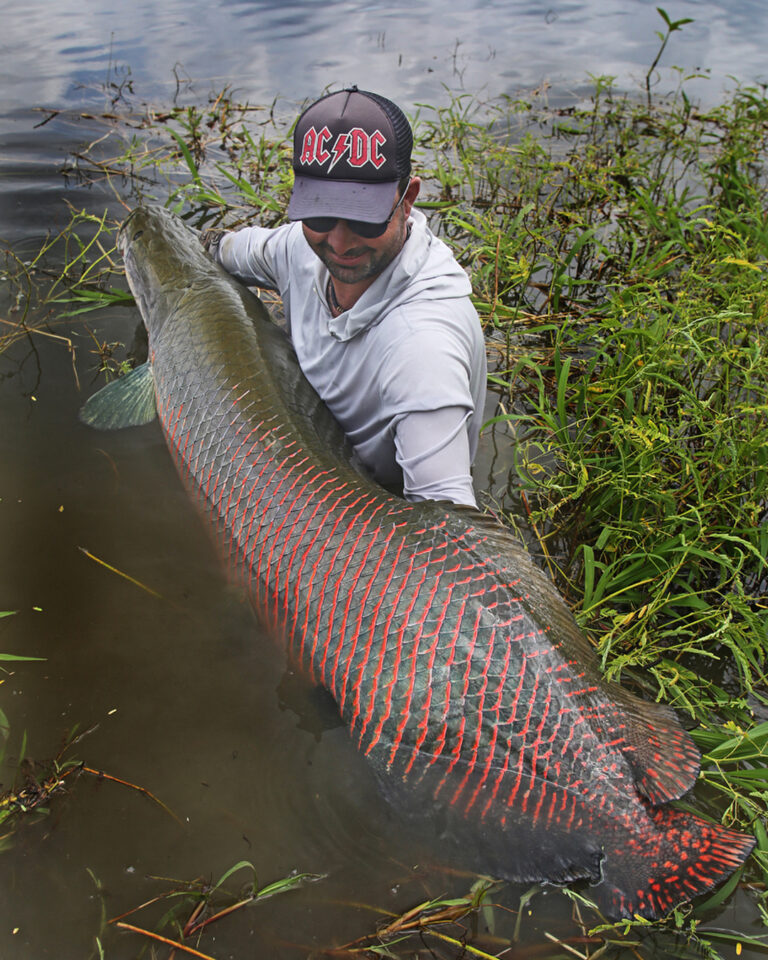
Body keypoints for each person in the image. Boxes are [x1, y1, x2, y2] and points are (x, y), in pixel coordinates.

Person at [204, 86, 487, 508]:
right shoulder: (297, 248)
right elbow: (225, 249)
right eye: (321, 213)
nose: (339, 241)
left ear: (407, 199)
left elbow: (447, 517)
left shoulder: (422, 350)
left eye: (364, 219)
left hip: (373, 509)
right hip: (309, 462)